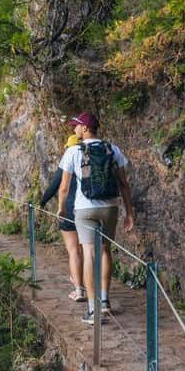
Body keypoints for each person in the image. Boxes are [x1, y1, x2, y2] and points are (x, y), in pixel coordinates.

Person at [56, 111, 135, 325]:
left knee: (89, 252)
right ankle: (105, 301)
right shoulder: (113, 149)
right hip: (110, 207)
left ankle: (93, 310)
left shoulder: (73, 151)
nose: (74, 130)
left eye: (77, 126)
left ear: (85, 128)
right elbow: (124, 185)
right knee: (105, 251)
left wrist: (61, 209)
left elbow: (63, 188)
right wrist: (129, 213)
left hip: (84, 209)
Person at [39, 133, 85, 302]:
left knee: (74, 251)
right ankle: (86, 284)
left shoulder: (68, 160)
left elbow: (55, 186)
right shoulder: (89, 159)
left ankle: (79, 290)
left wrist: (42, 203)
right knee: (86, 250)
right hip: (87, 209)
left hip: (69, 210)